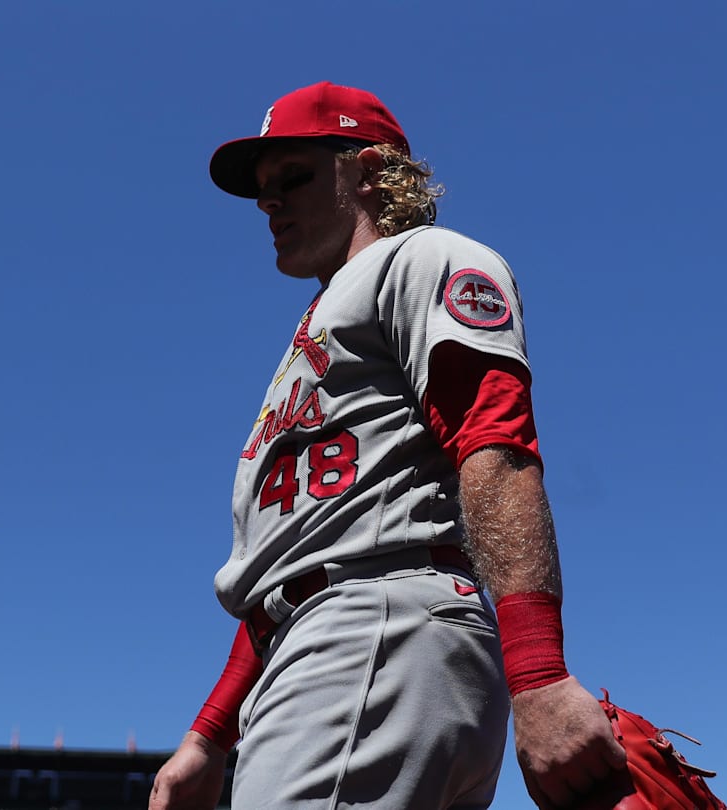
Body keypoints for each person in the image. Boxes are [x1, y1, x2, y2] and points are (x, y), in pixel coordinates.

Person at [149, 81, 624, 810]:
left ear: (369, 172)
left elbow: (494, 443)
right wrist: (209, 736)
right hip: (333, 637)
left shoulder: (423, 258)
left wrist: (538, 672)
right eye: (262, 189)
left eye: (293, 177)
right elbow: (293, 560)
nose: (268, 201)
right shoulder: (321, 321)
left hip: (373, 627)